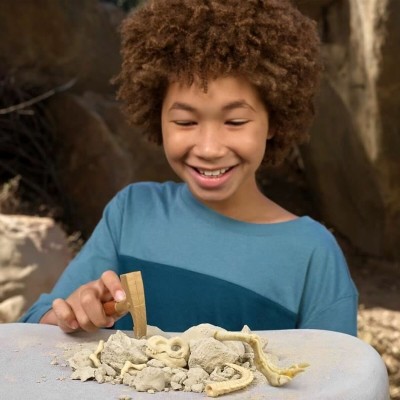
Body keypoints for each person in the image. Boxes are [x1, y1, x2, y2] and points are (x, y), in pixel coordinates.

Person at [20, 0, 358, 336]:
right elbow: (34, 330)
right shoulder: (131, 214)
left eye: (235, 121)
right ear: (156, 115)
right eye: (185, 121)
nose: (209, 149)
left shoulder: (312, 254)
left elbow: (340, 366)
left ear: (274, 121)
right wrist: (73, 313)